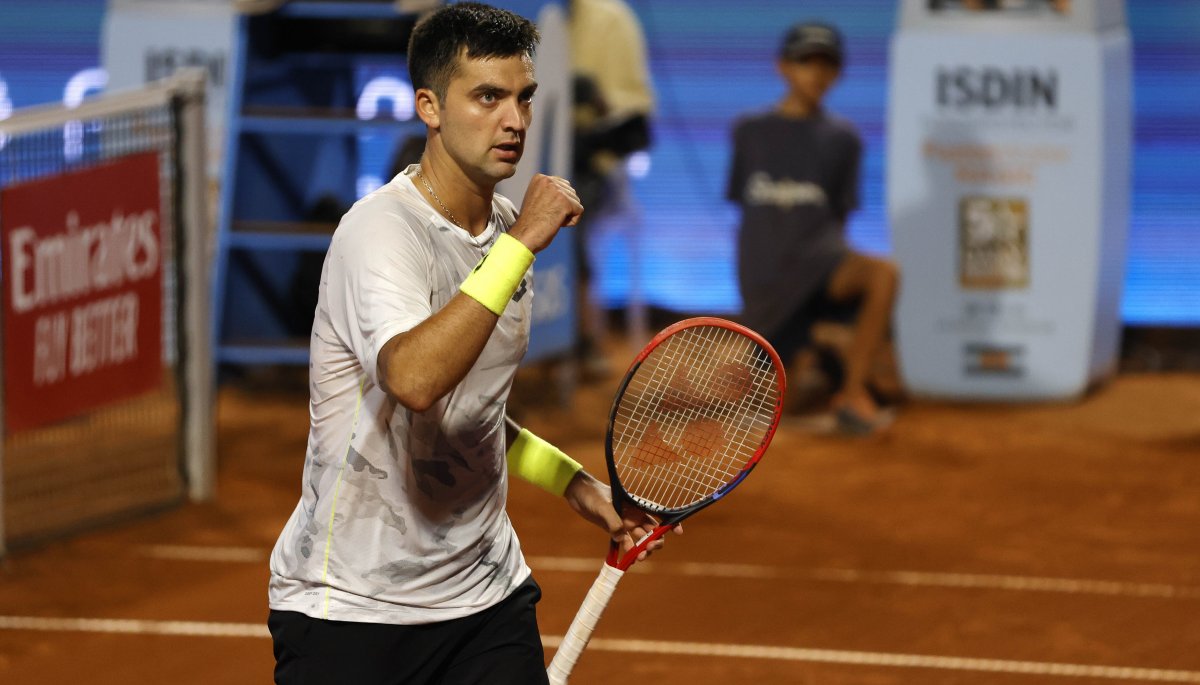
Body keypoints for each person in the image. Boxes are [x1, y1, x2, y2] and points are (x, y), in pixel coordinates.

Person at [266, 5, 670, 684]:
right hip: (353, 613)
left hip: (486, 598)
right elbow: (416, 381)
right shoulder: (381, 234)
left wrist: (575, 484)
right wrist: (518, 247)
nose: (513, 119)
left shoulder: (506, 235)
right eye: (487, 96)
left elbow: (468, 410)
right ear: (429, 106)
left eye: (523, 97)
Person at [727, 21, 900, 435]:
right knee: (763, 404)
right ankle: (820, 344)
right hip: (768, 283)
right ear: (783, 67)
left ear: (838, 73)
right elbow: (746, 212)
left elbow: (838, 219)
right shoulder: (749, 131)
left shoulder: (845, 139)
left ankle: (852, 394)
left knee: (883, 275)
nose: (817, 73)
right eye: (806, 62)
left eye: (827, 64)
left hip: (821, 267)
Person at [567, 0, 655, 377]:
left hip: (590, 167)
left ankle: (581, 336)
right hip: (527, 160)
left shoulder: (611, 19)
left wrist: (594, 110)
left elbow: (634, 123)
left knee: (562, 206)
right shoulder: (526, 13)